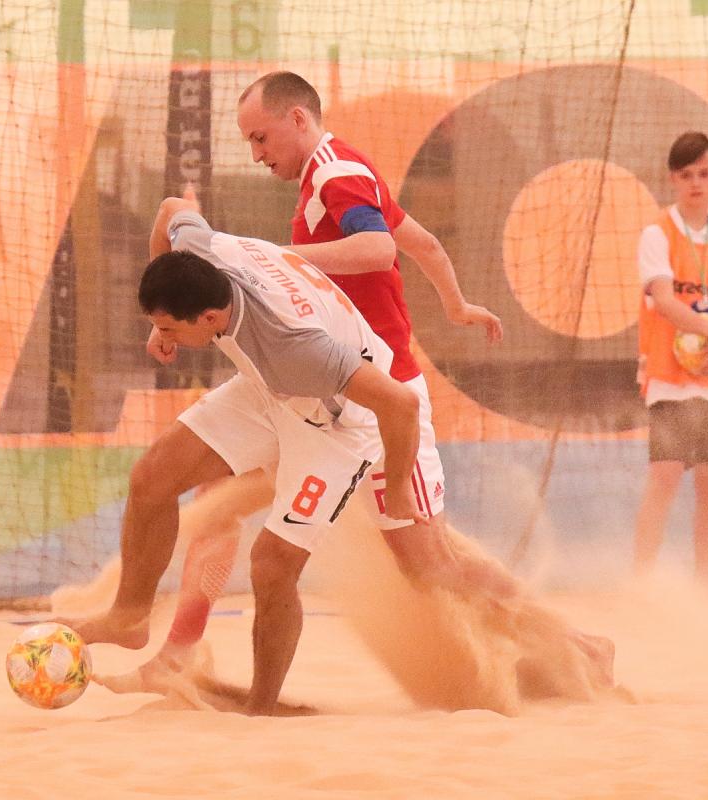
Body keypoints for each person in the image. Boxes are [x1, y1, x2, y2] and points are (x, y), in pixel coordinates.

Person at [100, 71, 517, 691]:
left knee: (429, 567)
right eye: (248, 142)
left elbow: (379, 249)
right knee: (208, 489)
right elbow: (423, 243)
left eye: (260, 138)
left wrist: (278, 258)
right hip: (303, 388)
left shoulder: (334, 174)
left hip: (366, 396)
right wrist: (455, 305)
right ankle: (174, 651)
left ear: (298, 119)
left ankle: (564, 641)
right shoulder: (338, 168)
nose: (256, 154)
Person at [64, 195, 462, 714]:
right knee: (152, 477)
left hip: (337, 424)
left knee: (273, 565)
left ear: (210, 317)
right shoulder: (206, 250)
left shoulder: (294, 347)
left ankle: (262, 707)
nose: (163, 339)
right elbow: (169, 209)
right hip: (268, 389)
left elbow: (399, 404)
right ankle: (130, 616)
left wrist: (401, 487)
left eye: (172, 328)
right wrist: (161, 317)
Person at [634, 131, 708, 583]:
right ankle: (640, 582)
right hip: (670, 374)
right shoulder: (657, 234)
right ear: (673, 179)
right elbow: (665, 302)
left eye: (704, 173)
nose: (696, 183)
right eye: (686, 175)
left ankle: (704, 587)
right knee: (665, 476)